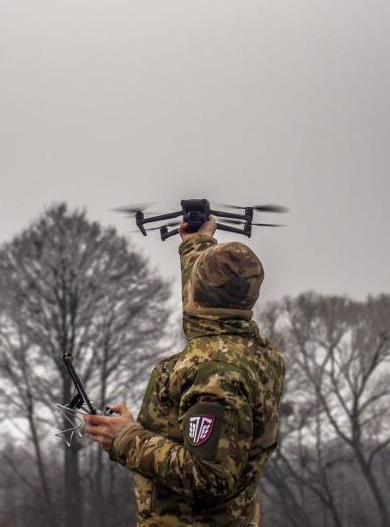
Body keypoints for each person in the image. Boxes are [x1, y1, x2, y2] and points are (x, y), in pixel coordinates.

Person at [84, 215, 286, 526]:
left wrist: (125, 438)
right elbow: (202, 312)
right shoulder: (255, 351)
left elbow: (209, 476)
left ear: (200, 294)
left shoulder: (215, 375)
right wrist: (196, 244)